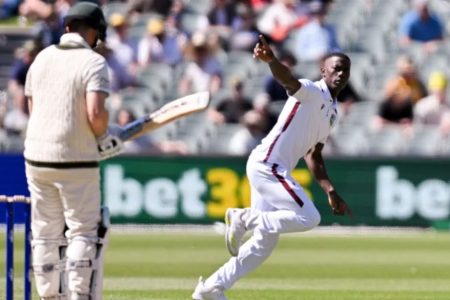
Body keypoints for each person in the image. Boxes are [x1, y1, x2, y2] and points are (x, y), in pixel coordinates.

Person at [192, 35, 352, 300]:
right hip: (268, 165)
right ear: (323, 70)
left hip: (274, 169)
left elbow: (315, 154)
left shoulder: (332, 111)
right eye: (336, 67)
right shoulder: (313, 91)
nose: (341, 73)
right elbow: (288, 81)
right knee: (309, 217)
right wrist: (272, 60)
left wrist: (330, 189)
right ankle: (244, 218)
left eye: (346, 69)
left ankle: (210, 288)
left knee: (264, 243)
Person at [23, 2, 123, 299]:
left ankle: (48, 295)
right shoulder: (93, 62)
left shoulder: (40, 58)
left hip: (36, 157)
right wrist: (104, 136)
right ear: (94, 32)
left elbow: (33, 109)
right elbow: (95, 114)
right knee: (82, 231)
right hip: (76, 159)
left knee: (45, 233)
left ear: (67, 28)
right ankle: (78, 295)